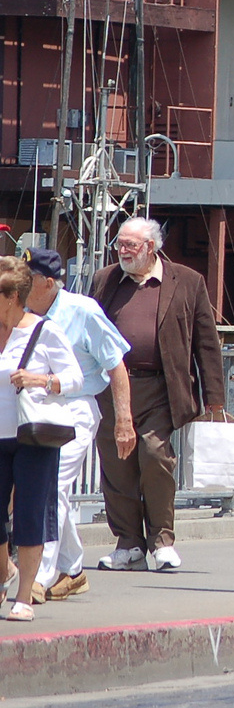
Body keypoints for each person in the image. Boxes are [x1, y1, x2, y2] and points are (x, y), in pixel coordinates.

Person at [90, 217, 228, 572]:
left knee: (154, 456)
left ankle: (162, 541)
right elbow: (86, 332)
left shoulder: (188, 281)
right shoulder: (105, 280)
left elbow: (206, 342)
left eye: (130, 245)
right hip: (111, 389)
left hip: (162, 387)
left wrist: (215, 397)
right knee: (117, 466)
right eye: (119, 244)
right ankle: (128, 544)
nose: (122, 251)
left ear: (151, 247)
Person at [25, 249, 135, 603]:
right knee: (53, 491)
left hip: (76, 408)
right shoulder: (23, 314)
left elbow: (116, 364)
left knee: (49, 485)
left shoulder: (83, 310)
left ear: (46, 283)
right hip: (36, 408)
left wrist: (124, 421)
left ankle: (38, 577)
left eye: (26, 280)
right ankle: (72, 570)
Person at [0, 255, 84, 621]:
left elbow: (76, 380)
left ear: (12, 297)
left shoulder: (43, 331)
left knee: (31, 514)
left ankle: (23, 597)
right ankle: (6, 572)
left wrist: (41, 380)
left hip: (32, 435)